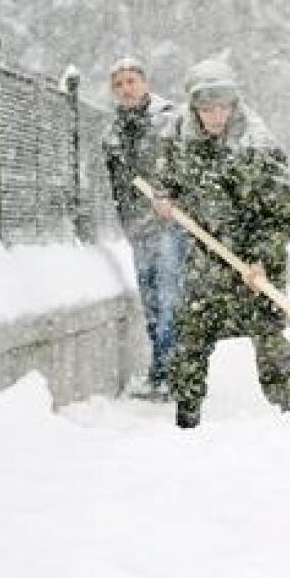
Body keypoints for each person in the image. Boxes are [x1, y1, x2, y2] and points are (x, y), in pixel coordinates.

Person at [150, 59, 290, 429]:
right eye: (206, 108)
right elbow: (165, 177)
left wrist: (261, 259)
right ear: (194, 107)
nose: (215, 115)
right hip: (205, 260)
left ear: (234, 104)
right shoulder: (179, 136)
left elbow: (286, 215)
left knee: (269, 339)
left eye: (222, 106)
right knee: (190, 340)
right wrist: (163, 197)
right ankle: (185, 422)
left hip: (255, 264)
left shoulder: (259, 145)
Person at [102, 57, 185, 401]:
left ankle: (169, 373)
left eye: (131, 81)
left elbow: (190, 166)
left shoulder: (171, 121)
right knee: (150, 301)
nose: (125, 89)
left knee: (169, 298)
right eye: (118, 84)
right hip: (138, 227)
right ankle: (162, 367)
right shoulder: (113, 133)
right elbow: (118, 185)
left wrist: (174, 198)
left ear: (145, 83)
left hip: (170, 224)